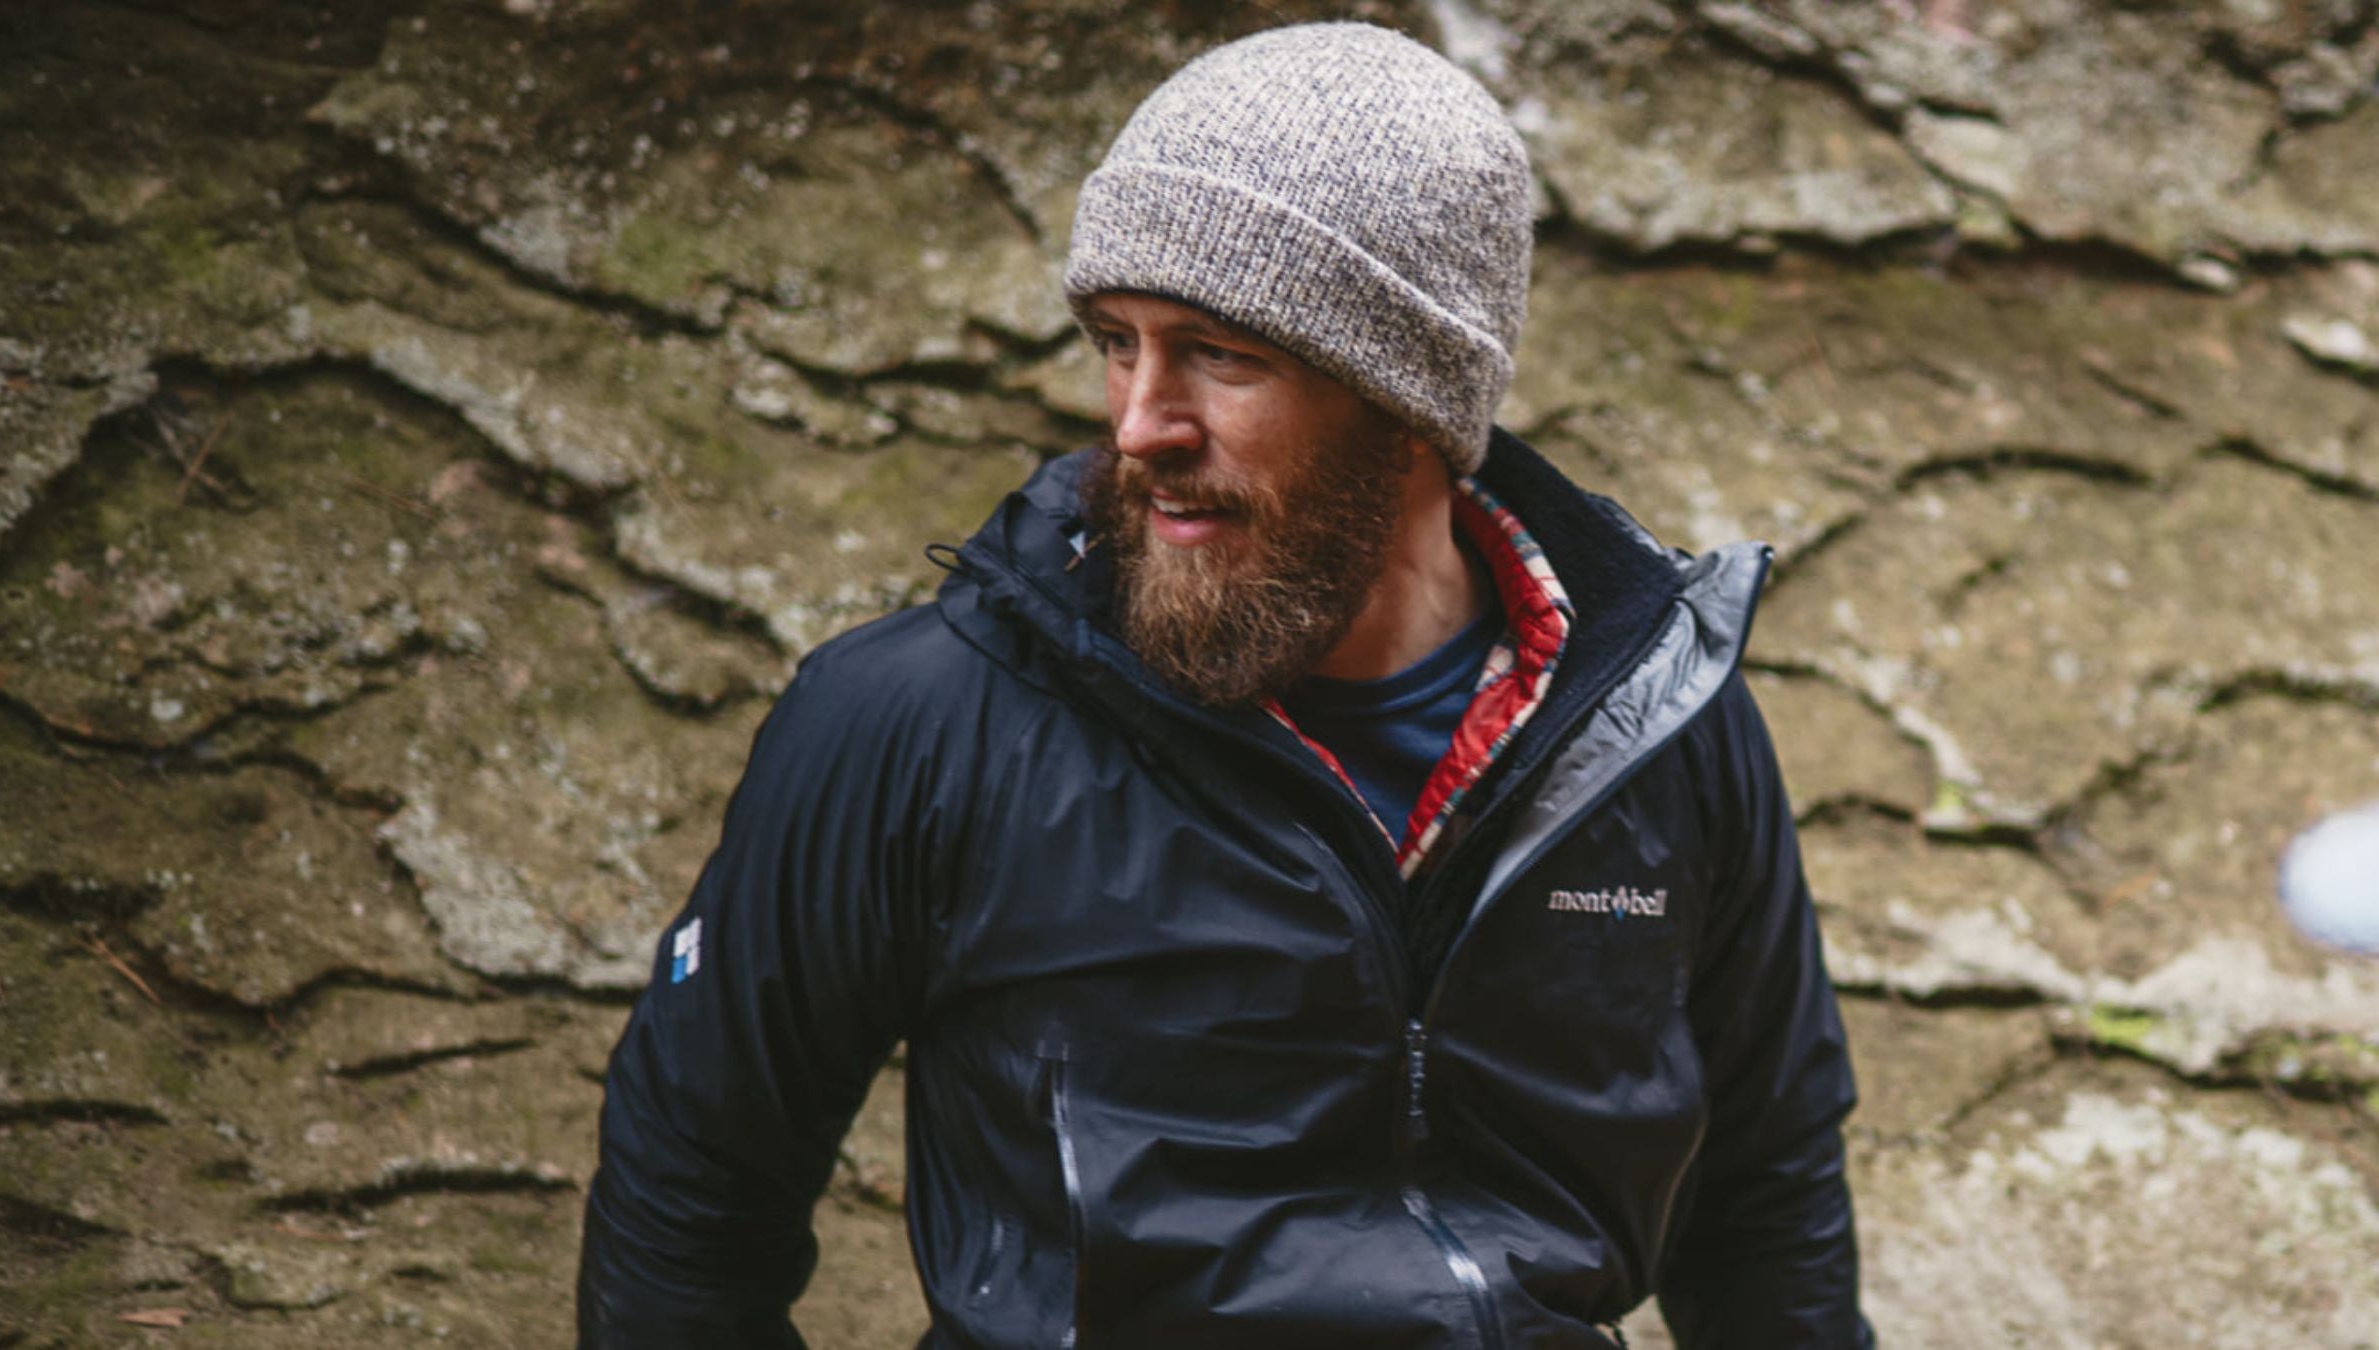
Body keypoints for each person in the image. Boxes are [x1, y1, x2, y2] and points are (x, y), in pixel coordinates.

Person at [578, 21, 1870, 1349]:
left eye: (1221, 354)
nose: (1142, 423)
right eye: (1116, 342)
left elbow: (1767, 1211)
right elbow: (689, 1213)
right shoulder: (911, 724)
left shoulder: (1660, 724)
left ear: (1409, 401)